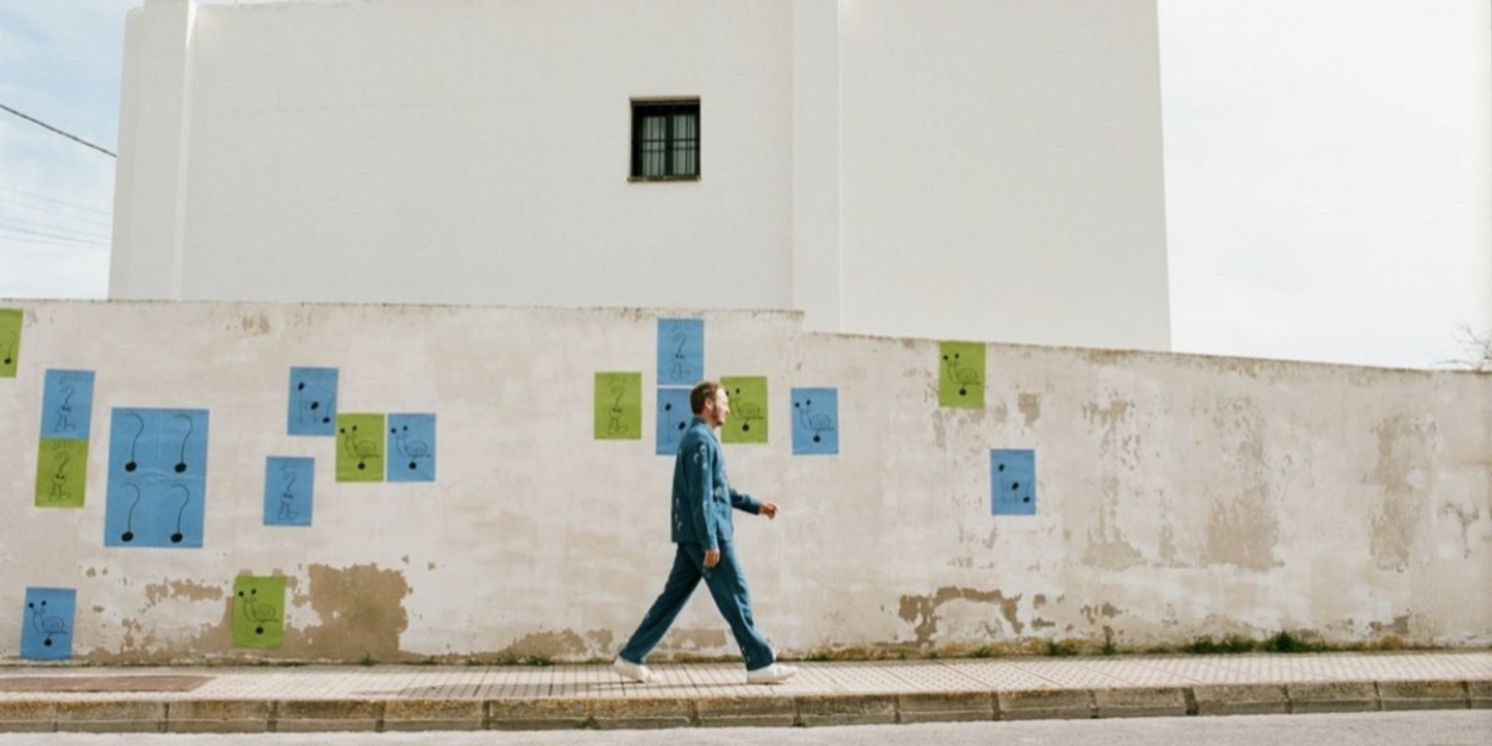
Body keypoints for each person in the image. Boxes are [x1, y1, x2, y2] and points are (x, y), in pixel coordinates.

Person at [612, 381, 797, 685]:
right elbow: (701, 497)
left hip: (693, 534)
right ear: (708, 404)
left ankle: (630, 657)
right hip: (707, 534)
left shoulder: (700, 439)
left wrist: (757, 506)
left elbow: (719, 491)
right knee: (735, 594)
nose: (728, 407)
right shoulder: (701, 441)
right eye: (724, 401)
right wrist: (710, 539)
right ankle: (760, 662)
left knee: (671, 599)